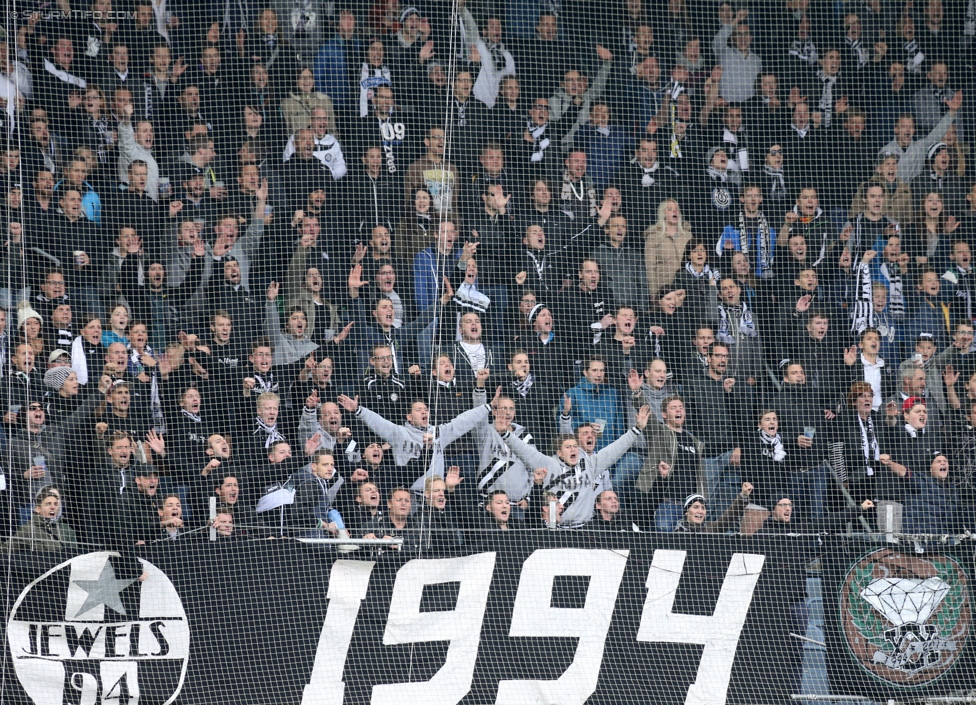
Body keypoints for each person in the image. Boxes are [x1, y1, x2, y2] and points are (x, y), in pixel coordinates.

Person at [495, 404, 651, 528]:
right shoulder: (548, 464)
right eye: (568, 447)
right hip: (559, 531)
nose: (574, 449)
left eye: (575, 446)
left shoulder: (590, 464)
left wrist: (636, 430)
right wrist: (505, 434)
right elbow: (525, 451)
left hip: (586, 528)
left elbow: (615, 449)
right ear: (559, 453)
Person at [5, 486, 78, 552]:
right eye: (48, 504)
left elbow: (75, 557)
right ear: (38, 508)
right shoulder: (28, 530)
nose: (53, 507)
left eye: (55, 503)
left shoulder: (67, 530)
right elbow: (5, 549)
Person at [674, 485, 752, 534]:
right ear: (686, 512)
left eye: (703, 508)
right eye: (696, 507)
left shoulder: (711, 527)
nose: (700, 511)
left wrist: (743, 496)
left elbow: (728, 518)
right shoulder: (679, 532)